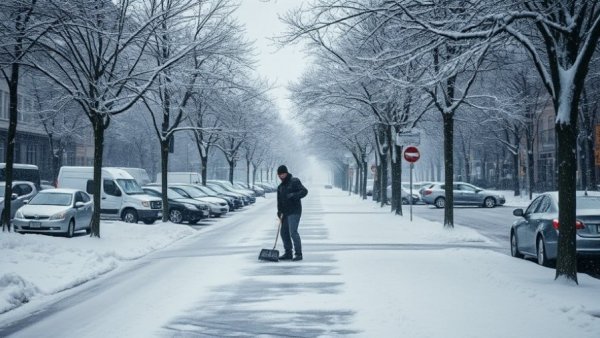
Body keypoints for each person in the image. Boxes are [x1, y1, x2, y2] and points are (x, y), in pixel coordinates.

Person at [276, 165, 308, 261]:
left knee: (293, 232)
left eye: (283, 174)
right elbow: (279, 201)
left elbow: (304, 191)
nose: (281, 176)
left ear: (286, 173)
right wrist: (279, 211)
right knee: (283, 232)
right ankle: (288, 253)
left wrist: (294, 195)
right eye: (279, 174)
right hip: (285, 213)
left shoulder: (294, 181)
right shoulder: (280, 187)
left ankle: (298, 254)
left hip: (294, 211)